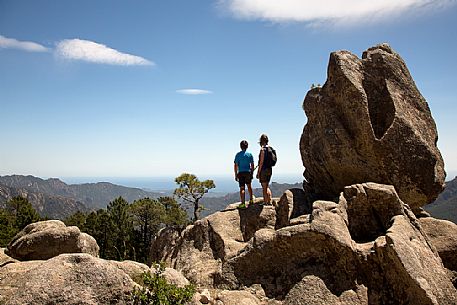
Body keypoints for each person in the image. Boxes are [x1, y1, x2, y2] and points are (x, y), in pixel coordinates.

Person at [234, 140, 255, 209]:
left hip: (241, 173)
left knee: (242, 188)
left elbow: (236, 166)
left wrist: (236, 174)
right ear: (247, 146)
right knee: (249, 186)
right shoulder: (249, 155)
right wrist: (252, 173)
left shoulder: (238, 155)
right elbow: (252, 165)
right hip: (248, 172)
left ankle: (243, 204)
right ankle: (251, 200)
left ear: (240, 146)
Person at [256, 134, 272, 205]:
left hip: (264, 170)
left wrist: (258, 172)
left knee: (264, 187)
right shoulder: (270, 149)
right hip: (269, 169)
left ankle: (266, 202)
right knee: (267, 186)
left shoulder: (262, 150)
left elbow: (261, 162)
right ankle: (269, 201)